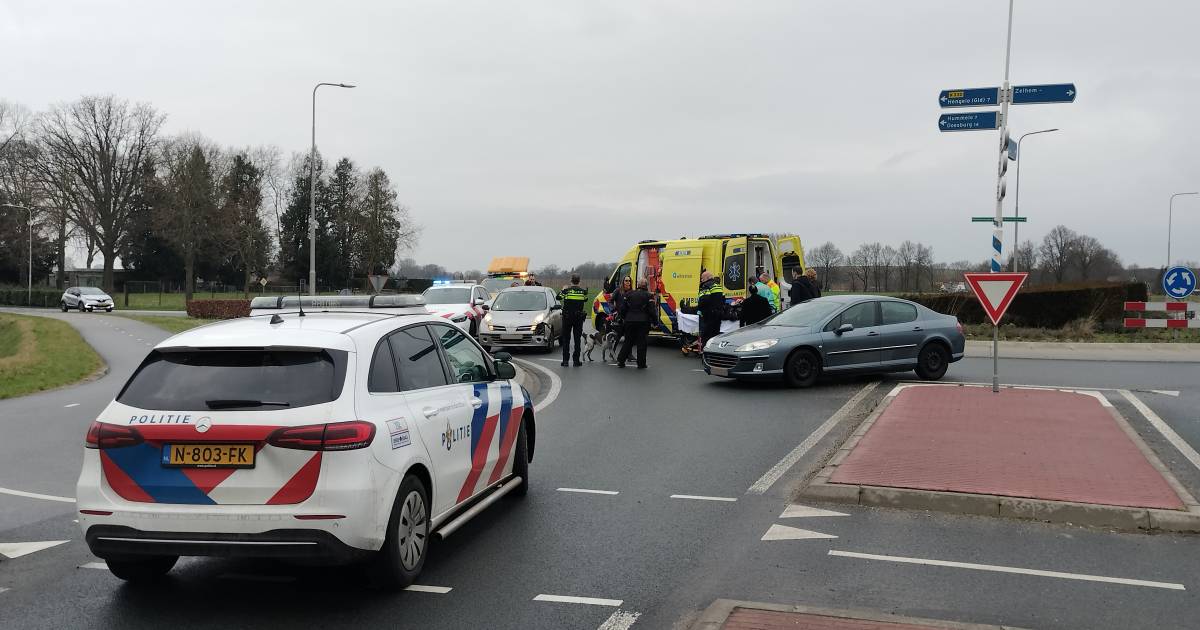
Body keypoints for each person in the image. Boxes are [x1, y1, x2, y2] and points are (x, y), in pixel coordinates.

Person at [617, 278, 655, 368]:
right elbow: (652, 310)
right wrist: (655, 321)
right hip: (643, 322)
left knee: (628, 341)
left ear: (638, 285)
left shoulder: (629, 294)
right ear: (646, 286)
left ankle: (621, 360)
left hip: (629, 321)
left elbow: (623, 308)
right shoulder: (649, 296)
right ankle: (641, 363)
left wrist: (622, 317)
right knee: (641, 343)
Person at [557, 274, 589, 366]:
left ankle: (565, 361)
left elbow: (558, 297)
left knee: (566, 339)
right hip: (578, 318)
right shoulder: (583, 292)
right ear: (579, 281)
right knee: (577, 339)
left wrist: (563, 289)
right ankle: (576, 361)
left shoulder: (566, 291)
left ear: (571, 281)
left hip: (567, 318)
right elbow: (585, 300)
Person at [696, 270, 725, 349]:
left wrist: (700, 309)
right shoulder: (718, 286)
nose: (701, 280)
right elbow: (723, 299)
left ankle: (705, 351)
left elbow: (704, 300)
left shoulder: (706, 286)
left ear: (707, 278)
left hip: (708, 314)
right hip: (718, 313)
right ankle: (714, 350)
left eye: (702, 278)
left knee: (706, 334)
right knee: (715, 334)